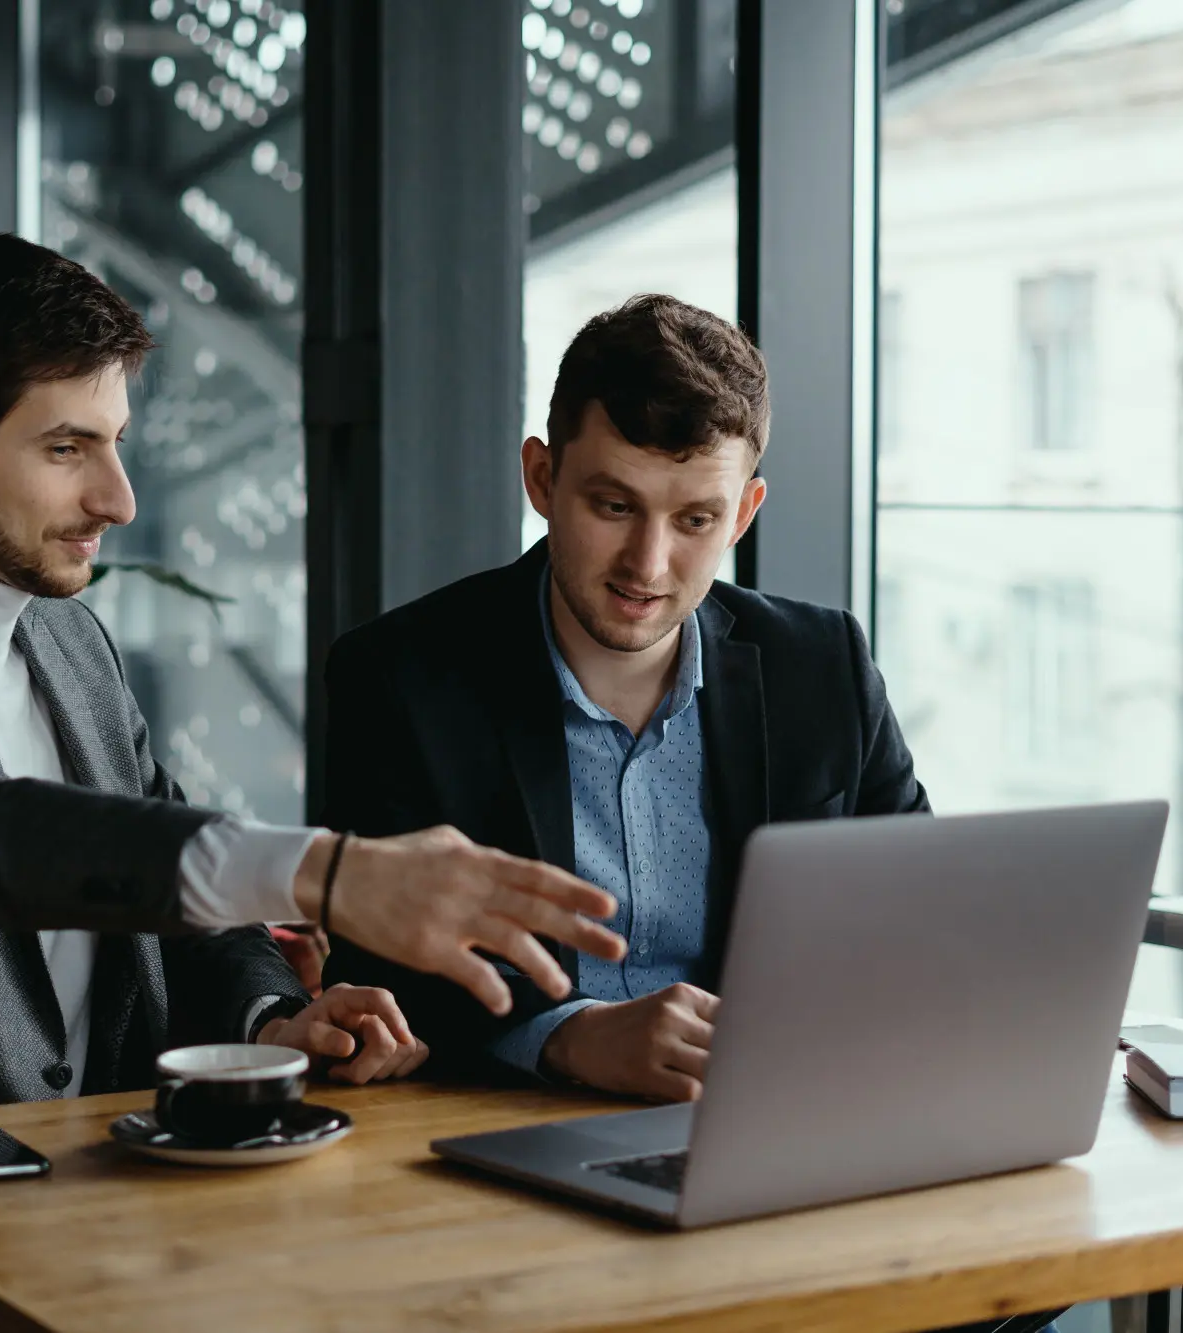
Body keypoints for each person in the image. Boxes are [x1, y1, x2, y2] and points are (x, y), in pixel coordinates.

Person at [0, 233, 622, 1332]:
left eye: (114, 444)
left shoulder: (75, 648)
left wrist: (275, 1018)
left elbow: (166, 892)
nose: (120, 497)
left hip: (83, 1249)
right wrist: (322, 871)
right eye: (68, 448)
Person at [321, 293, 929, 1103]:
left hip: (773, 1120)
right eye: (614, 506)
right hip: (501, 1141)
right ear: (542, 477)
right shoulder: (398, 679)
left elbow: (922, 923)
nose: (649, 562)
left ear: (743, 513)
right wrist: (567, 1036)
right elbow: (380, 987)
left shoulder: (824, 668)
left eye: (695, 519)